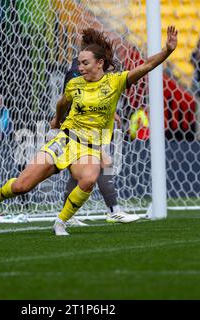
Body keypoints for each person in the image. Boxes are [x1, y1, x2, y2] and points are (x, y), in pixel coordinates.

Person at [0, 26, 178, 236]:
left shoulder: (115, 82)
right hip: (64, 141)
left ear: (100, 63)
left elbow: (147, 65)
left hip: (88, 149)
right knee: (22, 186)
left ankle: (61, 222)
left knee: (89, 177)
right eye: (79, 63)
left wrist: (167, 50)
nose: (81, 67)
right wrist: (56, 121)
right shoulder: (75, 84)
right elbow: (62, 102)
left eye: (85, 63)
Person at [60, 29, 139, 225]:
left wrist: (112, 113)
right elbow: (74, 100)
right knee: (104, 163)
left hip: (88, 129)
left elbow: (92, 97)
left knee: (81, 174)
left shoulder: (81, 67)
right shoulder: (78, 71)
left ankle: (67, 215)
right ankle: (113, 210)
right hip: (77, 130)